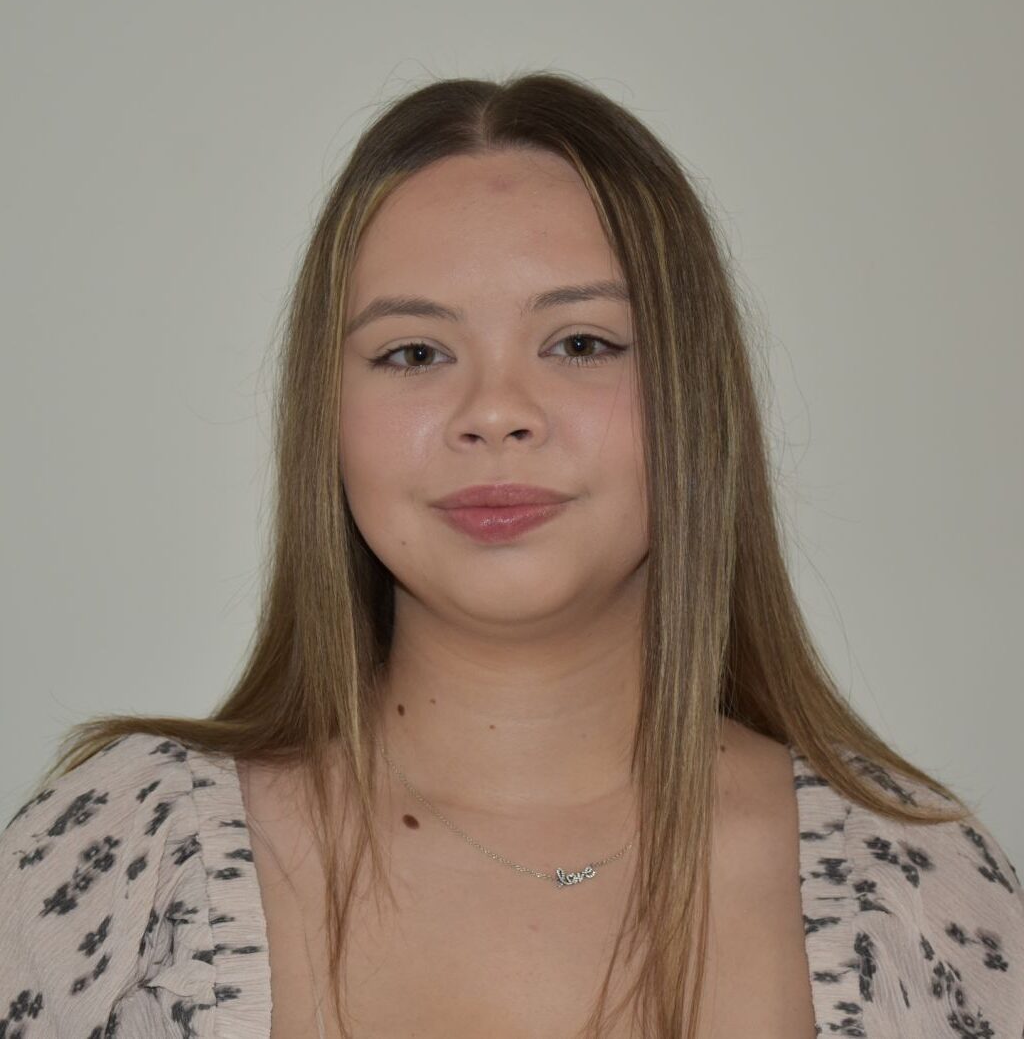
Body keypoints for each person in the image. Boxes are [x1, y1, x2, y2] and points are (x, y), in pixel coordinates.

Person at [1, 70, 1021, 1039]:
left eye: (580, 343)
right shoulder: (128, 859)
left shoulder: (913, 888)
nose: (494, 412)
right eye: (414, 352)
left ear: (693, 397)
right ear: (328, 416)